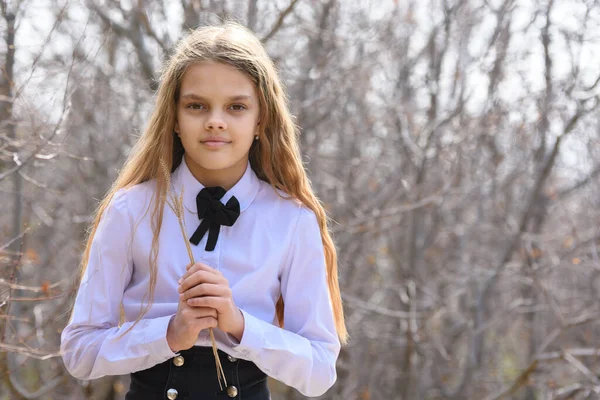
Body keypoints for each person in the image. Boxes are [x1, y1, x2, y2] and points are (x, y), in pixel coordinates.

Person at [60, 21, 348, 400]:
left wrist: (240, 325)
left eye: (236, 107)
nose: (215, 120)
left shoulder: (292, 220)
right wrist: (169, 333)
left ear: (260, 120)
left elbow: (319, 370)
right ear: (175, 118)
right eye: (196, 105)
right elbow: (80, 352)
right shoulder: (131, 210)